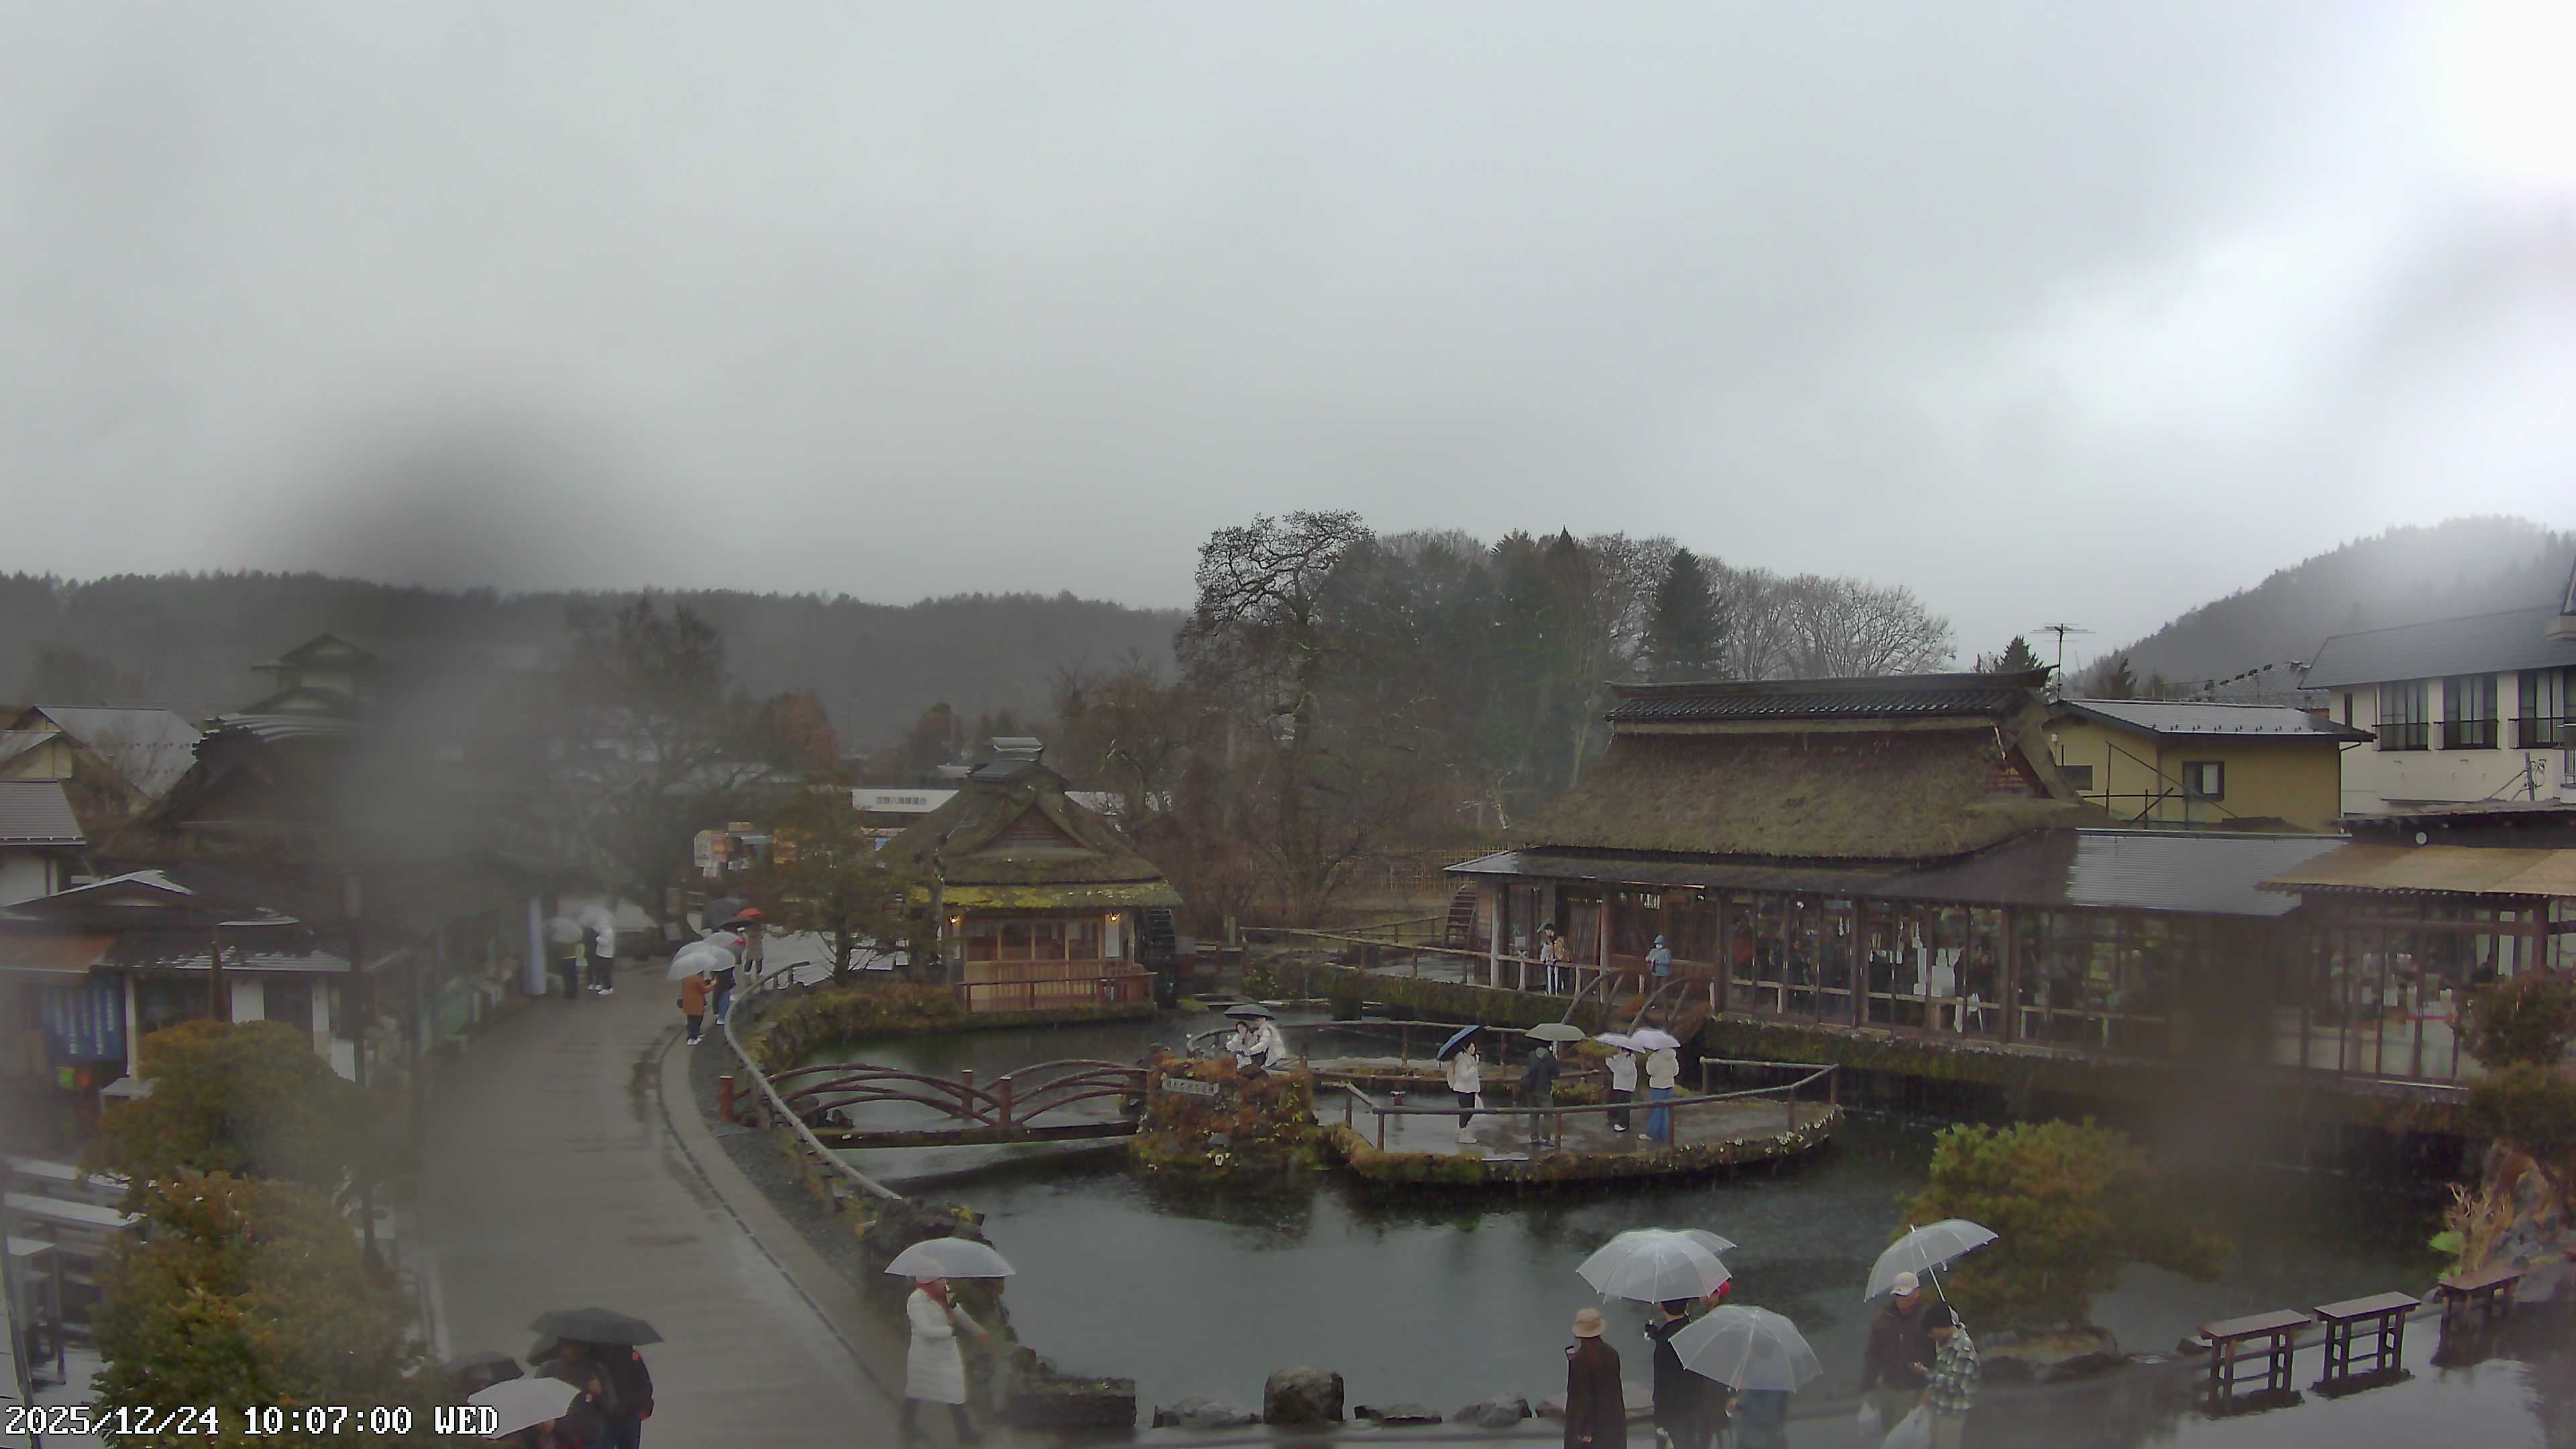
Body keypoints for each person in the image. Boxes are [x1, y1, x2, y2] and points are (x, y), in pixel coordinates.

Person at [904, 1276, 989, 1444]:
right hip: (925, 1356)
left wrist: (981, 1333)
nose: (945, 1281)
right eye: (941, 1278)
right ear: (929, 1279)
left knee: (954, 1393)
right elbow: (925, 1331)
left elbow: (960, 1314)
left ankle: (965, 1435)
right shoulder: (916, 1300)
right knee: (917, 1392)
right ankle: (906, 1425)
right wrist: (951, 1330)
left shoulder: (945, 1295)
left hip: (947, 1356)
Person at [1858, 1272, 1941, 1436]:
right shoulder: (1883, 1321)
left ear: (1917, 1293)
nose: (1902, 1299)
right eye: (1898, 1295)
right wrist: (1868, 1385)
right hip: (1890, 1387)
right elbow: (1873, 1354)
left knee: (1915, 1436)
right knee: (1892, 1435)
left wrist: (1932, 1385)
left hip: (1918, 1389)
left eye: (1905, 1295)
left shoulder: (1928, 1319)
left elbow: (1940, 1354)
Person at [1646, 1298, 1713, 1449]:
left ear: (1662, 1307)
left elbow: (1663, 1383)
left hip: (1673, 1410)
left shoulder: (1664, 1344)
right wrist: (1657, 1335)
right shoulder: (1694, 1332)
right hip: (1696, 1404)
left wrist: (1660, 1418)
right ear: (1687, 1305)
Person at [1562, 1307, 1627, 1449]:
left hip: (1590, 1432)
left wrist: (1581, 1431)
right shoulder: (1612, 1354)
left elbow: (1579, 1400)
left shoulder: (1579, 1361)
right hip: (1613, 1424)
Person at [1917, 1303, 1979, 1449]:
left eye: (1932, 1331)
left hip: (1953, 1413)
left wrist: (1928, 1373)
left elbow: (1958, 1386)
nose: (1930, 1336)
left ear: (1941, 1326)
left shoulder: (1963, 1348)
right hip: (1939, 1408)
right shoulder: (1945, 1344)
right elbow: (1943, 1372)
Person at [599, 1346, 654, 1449]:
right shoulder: (598, 1358)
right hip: (607, 1419)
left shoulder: (633, 1357)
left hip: (629, 1418)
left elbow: (646, 1386)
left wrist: (634, 1404)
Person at [1519, 1042, 1560, 1144]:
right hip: (1544, 1090)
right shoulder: (1549, 1058)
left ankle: (1534, 1138)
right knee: (1548, 1115)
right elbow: (1556, 1073)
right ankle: (1546, 1138)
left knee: (1533, 1115)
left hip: (1531, 1089)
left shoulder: (1532, 1055)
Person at [1444, 1040, 1481, 1144]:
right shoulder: (1462, 1059)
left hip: (1471, 1089)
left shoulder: (1472, 1058)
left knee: (1471, 1110)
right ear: (1466, 1048)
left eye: (1474, 1047)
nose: (1473, 1049)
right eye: (1470, 1047)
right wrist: (1473, 1069)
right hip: (1463, 1089)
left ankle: (1465, 1128)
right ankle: (1463, 1131)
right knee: (1465, 1111)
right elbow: (1463, 1075)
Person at [578, 901, 619, 996]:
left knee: (606, 972)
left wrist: (597, 938)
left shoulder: (608, 932)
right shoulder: (602, 931)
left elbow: (605, 942)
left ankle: (608, 987)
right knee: (601, 970)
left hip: (606, 954)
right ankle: (602, 985)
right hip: (601, 953)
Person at [1643, 1042, 1680, 1142]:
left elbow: (1650, 1071)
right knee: (1666, 1111)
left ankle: (1652, 1133)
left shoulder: (1656, 1057)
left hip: (1658, 1086)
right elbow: (1676, 1071)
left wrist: (1650, 1060)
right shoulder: (1673, 1057)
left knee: (1656, 1110)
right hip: (1669, 1086)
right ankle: (1665, 1134)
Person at [547, 914, 587, 1001]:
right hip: (572, 957)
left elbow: (556, 949)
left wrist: (553, 949)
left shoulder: (561, 938)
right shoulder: (572, 938)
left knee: (567, 976)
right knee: (573, 976)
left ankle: (569, 993)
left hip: (565, 959)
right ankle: (574, 992)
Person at [1604, 1042, 1637, 1134]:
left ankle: (1623, 1124)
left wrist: (1617, 1063)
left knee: (1624, 1107)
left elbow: (1626, 1071)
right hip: (1620, 1085)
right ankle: (1620, 1122)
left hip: (1626, 1087)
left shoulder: (1629, 1059)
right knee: (1620, 1105)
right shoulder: (1622, 1059)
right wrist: (1610, 1063)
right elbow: (1616, 1071)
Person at [678, 968, 711, 1046]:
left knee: (692, 1019)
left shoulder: (686, 978)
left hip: (688, 1003)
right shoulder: (697, 979)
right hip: (696, 1003)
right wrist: (712, 985)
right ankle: (692, 1038)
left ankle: (694, 1035)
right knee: (696, 1019)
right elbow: (703, 990)